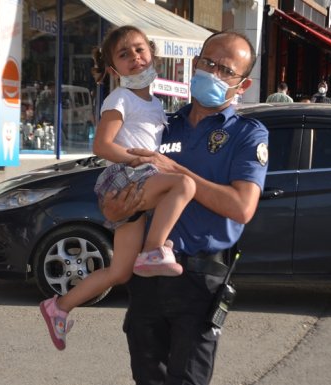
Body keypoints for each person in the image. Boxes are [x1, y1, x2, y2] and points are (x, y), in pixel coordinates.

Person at [103, 31, 268, 385]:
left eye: (226, 70)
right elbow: (124, 184)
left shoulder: (247, 135)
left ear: (243, 84)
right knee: (146, 378)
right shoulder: (162, 124)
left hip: (199, 278)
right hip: (146, 275)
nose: (213, 73)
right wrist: (116, 211)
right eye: (208, 63)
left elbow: (242, 207)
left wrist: (175, 170)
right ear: (195, 64)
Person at [39, 25, 196, 351]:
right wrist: (143, 160)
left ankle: (60, 306)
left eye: (140, 50)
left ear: (152, 52)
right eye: (124, 55)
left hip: (135, 178)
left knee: (121, 271)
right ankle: (155, 250)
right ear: (113, 68)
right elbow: (102, 145)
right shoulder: (120, 97)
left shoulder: (154, 103)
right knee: (183, 183)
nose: (135, 58)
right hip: (124, 176)